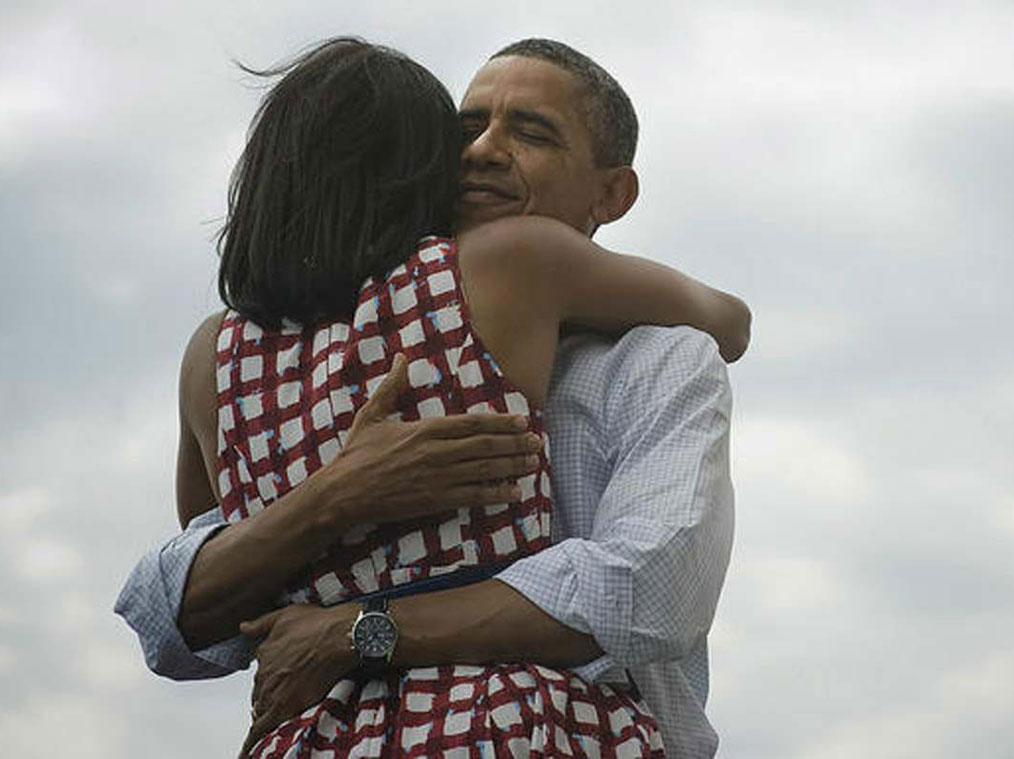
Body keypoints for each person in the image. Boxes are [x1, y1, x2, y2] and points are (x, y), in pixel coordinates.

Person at [117, 37, 744, 759]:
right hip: (515, 723)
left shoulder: (656, 360)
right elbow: (191, 606)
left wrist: (354, 624)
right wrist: (339, 491)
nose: (481, 150)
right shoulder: (494, 278)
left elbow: (647, 591)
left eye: (530, 132)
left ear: (612, 193)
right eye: (464, 130)